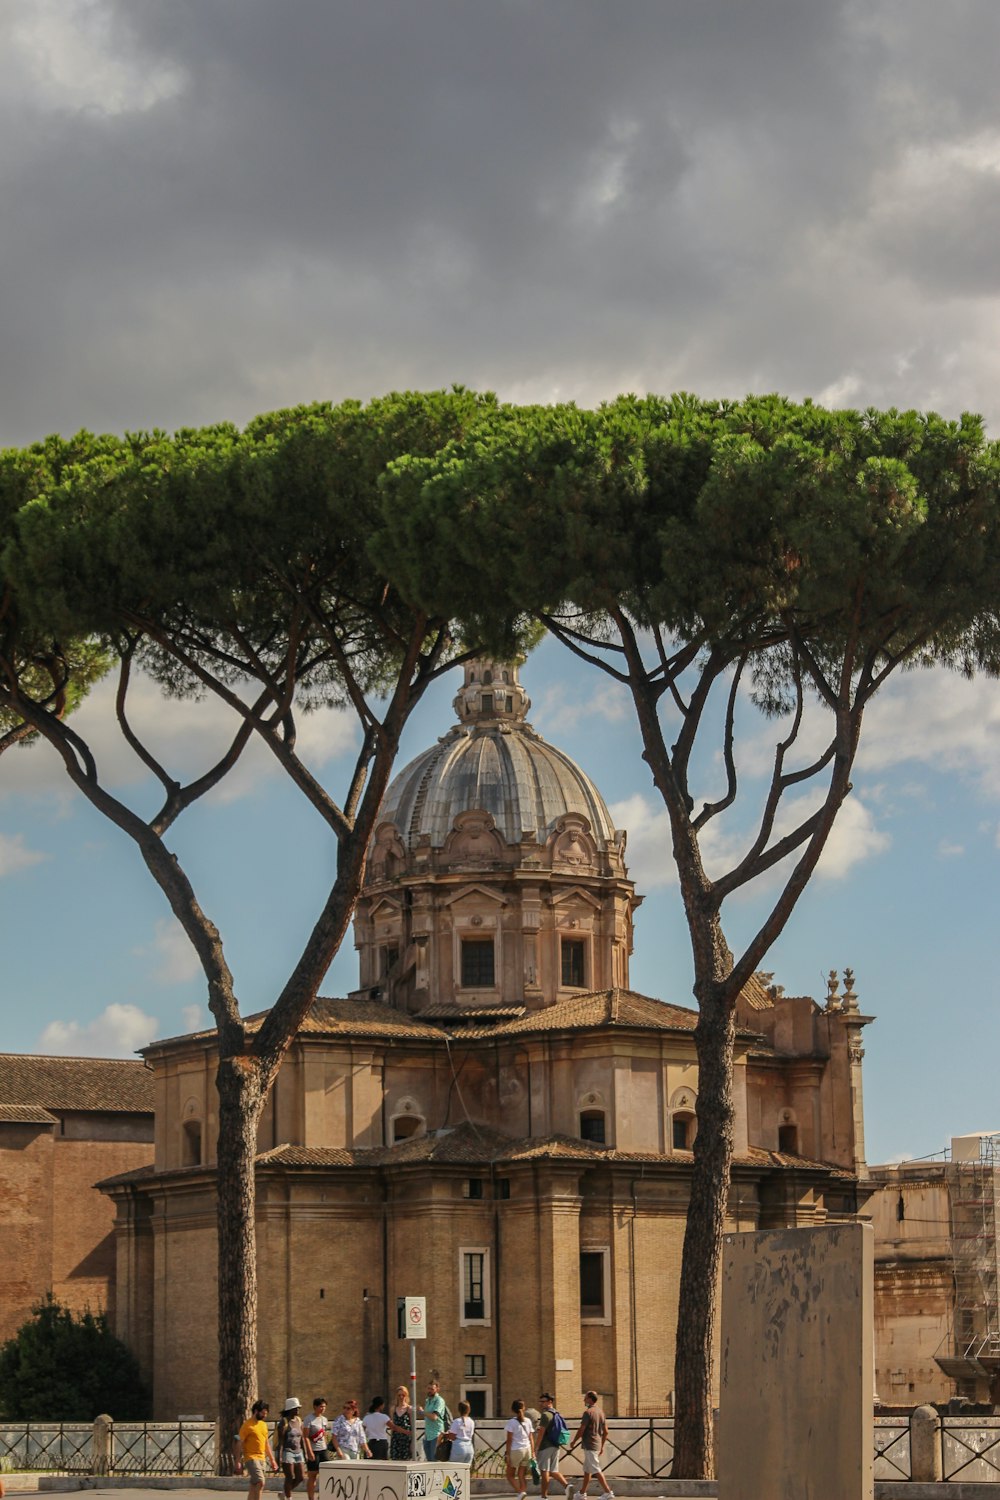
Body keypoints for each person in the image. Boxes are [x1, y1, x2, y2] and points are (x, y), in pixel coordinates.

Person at [570, 1391, 613, 1499]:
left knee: (596, 1469)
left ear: (590, 1399)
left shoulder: (588, 1413)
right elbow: (606, 1431)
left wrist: (574, 1441)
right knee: (587, 1470)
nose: (584, 1400)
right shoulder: (601, 1412)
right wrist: (602, 1446)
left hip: (590, 1444)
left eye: (585, 1398)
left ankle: (608, 1492)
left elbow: (582, 1429)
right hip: (597, 1444)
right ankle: (582, 1493)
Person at [239, 1399, 279, 1500]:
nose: (265, 1416)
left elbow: (266, 1444)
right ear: (256, 1411)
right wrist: (237, 1460)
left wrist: (272, 1460)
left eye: (266, 1413)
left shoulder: (263, 1425)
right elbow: (239, 1443)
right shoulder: (247, 1425)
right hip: (251, 1458)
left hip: (262, 1458)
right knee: (261, 1482)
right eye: (263, 1413)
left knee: (254, 1486)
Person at [534, 1392, 572, 1498]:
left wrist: (536, 1447)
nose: (541, 1404)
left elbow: (541, 1433)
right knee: (554, 1471)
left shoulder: (545, 1415)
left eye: (543, 1402)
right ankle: (567, 1486)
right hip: (556, 1445)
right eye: (540, 1401)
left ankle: (544, 1496)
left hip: (545, 1446)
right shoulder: (556, 1413)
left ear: (550, 1402)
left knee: (544, 1471)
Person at [277, 1397, 313, 1498]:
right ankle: (289, 1497)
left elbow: (301, 1438)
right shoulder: (284, 1422)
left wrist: (305, 1452)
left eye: (298, 1408)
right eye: (295, 1408)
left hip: (298, 1452)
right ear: (289, 1409)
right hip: (287, 1452)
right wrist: (279, 1456)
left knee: (301, 1477)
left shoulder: (299, 1420)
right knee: (290, 1477)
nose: (297, 1410)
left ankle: (284, 1493)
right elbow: (281, 1441)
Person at [305, 1397, 341, 1497]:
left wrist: (325, 1446)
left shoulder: (324, 1419)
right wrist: (309, 1451)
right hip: (313, 1450)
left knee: (327, 1472)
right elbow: (306, 1436)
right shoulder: (309, 1419)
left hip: (323, 1450)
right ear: (315, 1407)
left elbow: (324, 1434)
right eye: (321, 1406)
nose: (323, 1409)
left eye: (324, 1407)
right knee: (312, 1475)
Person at [505, 1398, 534, 1500]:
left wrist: (507, 1454)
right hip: (527, 1449)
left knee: (509, 1475)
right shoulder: (528, 1421)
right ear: (524, 1408)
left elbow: (509, 1440)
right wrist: (533, 1452)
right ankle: (523, 1492)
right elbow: (531, 1438)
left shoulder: (511, 1422)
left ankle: (520, 1492)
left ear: (513, 1409)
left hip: (516, 1450)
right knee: (522, 1474)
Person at [417, 1379, 448, 1463]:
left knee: (435, 1461)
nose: (429, 1391)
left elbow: (434, 1417)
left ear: (437, 1389)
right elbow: (427, 1415)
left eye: (432, 1389)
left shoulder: (439, 1401)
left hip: (436, 1435)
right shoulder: (427, 1400)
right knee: (429, 1461)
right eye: (428, 1388)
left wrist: (422, 1412)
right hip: (427, 1435)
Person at [446, 1400, 475, 1466]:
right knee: (466, 1471)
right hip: (469, 1447)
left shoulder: (457, 1421)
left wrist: (446, 1435)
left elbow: (452, 1436)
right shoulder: (471, 1421)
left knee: (454, 1469)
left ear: (459, 1410)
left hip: (459, 1446)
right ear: (469, 1410)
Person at [389, 1385, 413, 1461]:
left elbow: (412, 1425)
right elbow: (392, 1425)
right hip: (396, 1439)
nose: (401, 1397)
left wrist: (412, 1442)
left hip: (406, 1439)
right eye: (399, 1395)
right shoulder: (393, 1409)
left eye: (403, 1395)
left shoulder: (409, 1409)